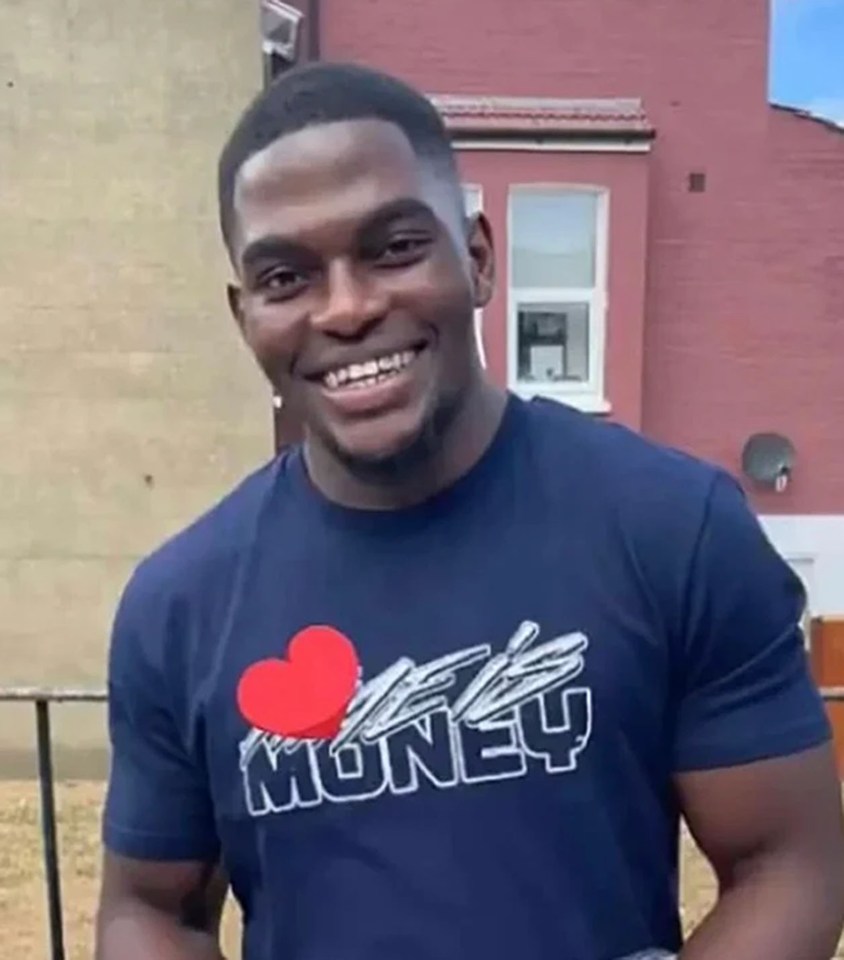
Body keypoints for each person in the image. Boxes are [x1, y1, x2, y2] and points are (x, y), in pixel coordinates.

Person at [94, 61, 844, 960]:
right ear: (244, 314)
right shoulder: (179, 605)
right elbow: (149, 910)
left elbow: (790, 862)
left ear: (478, 259)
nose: (348, 307)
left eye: (394, 247)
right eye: (287, 277)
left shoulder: (670, 528)